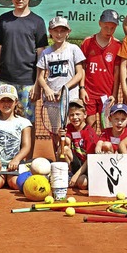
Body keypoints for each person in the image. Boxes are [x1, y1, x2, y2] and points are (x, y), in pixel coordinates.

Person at [0, 0, 47, 158]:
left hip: (28, 81)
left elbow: (41, 54)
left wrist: (38, 82)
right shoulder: (3, 20)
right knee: (1, 119)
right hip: (5, 80)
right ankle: (0, 157)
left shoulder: (37, 22)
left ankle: (26, 161)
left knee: (27, 123)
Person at [36, 16, 85, 154]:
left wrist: (65, 88)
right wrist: (47, 89)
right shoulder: (46, 53)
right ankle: (58, 162)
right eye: (55, 30)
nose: (59, 34)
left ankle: (74, 162)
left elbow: (79, 73)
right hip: (53, 101)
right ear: (50, 32)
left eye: (62, 30)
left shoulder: (74, 49)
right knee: (56, 132)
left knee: (72, 132)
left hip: (71, 98)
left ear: (68, 32)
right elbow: (40, 76)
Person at [0, 84, 32, 190]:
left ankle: (7, 178)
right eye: (2, 100)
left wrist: (16, 160)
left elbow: (26, 146)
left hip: (15, 164)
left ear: (16, 102)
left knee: (15, 184)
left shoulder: (24, 122)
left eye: (9, 100)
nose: (6, 104)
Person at [79, 9, 122, 129]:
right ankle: (91, 148)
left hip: (107, 95)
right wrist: (82, 88)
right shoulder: (87, 42)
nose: (109, 31)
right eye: (106, 27)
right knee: (90, 125)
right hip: (89, 93)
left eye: (112, 28)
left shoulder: (118, 45)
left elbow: (117, 72)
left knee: (107, 127)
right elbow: (82, 67)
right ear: (100, 23)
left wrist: (114, 94)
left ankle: (104, 148)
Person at [58, 100, 97, 190]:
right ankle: (66, 174)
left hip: (87, 166)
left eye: (78, 114)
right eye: (71, 115)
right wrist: (61, 136)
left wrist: (76, 176)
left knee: (82, 183)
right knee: (63, 149)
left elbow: (90, 160)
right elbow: (66, 143)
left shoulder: (89, 133)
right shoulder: (70, 127)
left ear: (85, 115)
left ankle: (75, 179)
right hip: (76, 162)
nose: (75, 117)